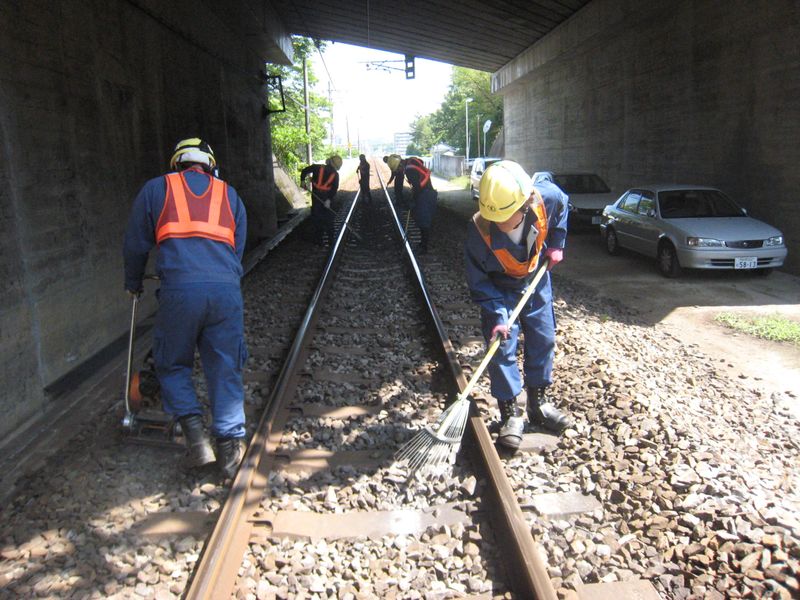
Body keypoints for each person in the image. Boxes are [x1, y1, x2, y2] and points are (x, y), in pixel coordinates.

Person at [123, 138, 248, 478]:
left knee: (173, 364)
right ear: (210, 165)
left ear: (176, 163)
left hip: (179, 291)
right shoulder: (230, 194)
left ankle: (196, 439)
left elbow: (135, 243)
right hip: (225, 291)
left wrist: (134, 281)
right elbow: (238, 249)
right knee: (225, 366)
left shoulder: (156, 189)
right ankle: (229, 451)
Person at [464, 160, 571, 451]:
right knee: (502, 350)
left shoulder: (545, 199)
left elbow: (563, 202)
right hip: (500, 289)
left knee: (543, 338)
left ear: (524, 204)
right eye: (494, 218)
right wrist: (498, 316)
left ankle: (538, 403)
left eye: (505, 217)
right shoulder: (478, 232)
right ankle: (509, 412)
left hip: (536, 281)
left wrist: (557, 243)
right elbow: (479, 282)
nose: (499, 224)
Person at [300, 155, 341, 246]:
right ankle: (331, 240)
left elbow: (304, 171)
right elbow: (334, 189)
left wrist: (302, 181)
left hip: (316, 196)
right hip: (327, 197)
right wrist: (329, 200)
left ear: (329, 162)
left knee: (317, 218)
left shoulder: (317, 167)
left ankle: (318, 240)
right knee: (329, 218)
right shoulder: (335, 174)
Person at [403, 156, 437, 254]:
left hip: (425, 195)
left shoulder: (409, 170)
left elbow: (417, 187)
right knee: (423, 221)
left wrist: (413, 200)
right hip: (428, 192)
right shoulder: (411, 162)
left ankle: (424, 247)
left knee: (424, 221)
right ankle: (422, 244)